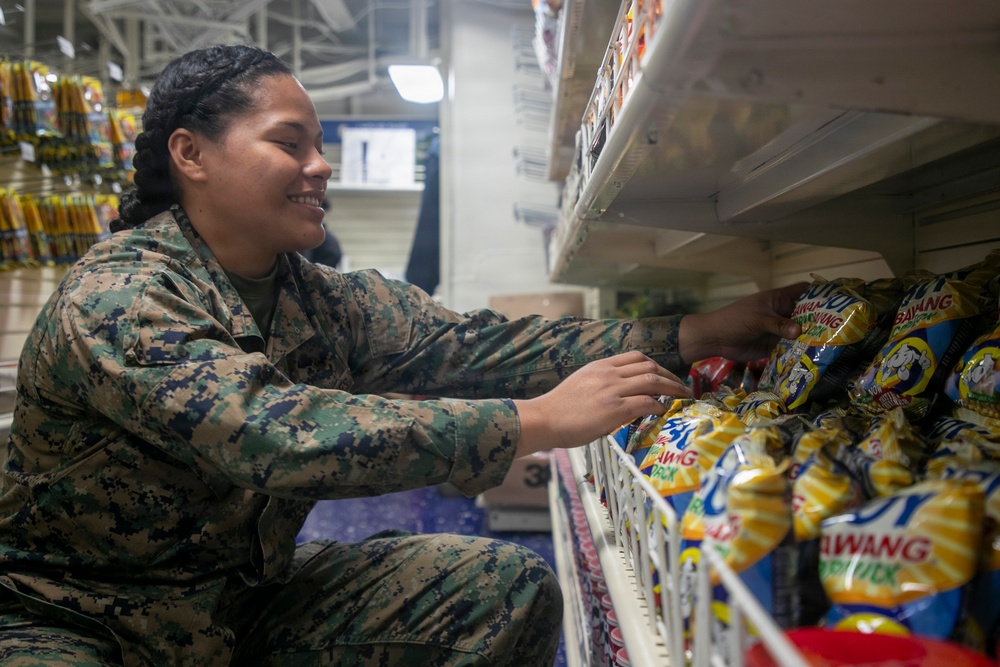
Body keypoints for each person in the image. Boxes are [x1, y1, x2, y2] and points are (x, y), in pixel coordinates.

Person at [0, 44, 805, 667]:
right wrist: (533, 421)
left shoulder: (321, 299)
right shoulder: (121, 293)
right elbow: (271, 431)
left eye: (320, 144)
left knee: (501, 587)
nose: (321, 165)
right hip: (76, 619)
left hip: (238, 607)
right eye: (291, 142)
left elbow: (475, 345)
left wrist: (695, 333)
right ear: (192, 154)